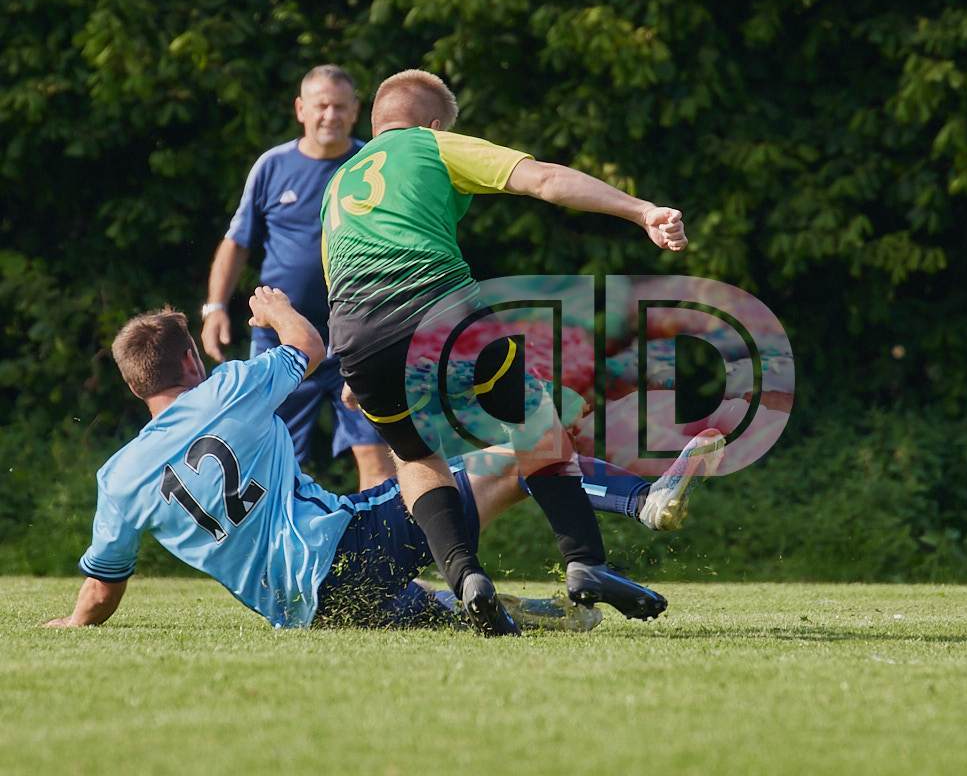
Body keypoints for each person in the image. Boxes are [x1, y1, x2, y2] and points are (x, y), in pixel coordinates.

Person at [43, 296, 722, 632]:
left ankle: (548, 614)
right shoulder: (224, 389)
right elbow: (307, 345)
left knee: (440, 605)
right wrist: (275, 309)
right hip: (348, 548)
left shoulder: (118, 478)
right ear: (192, 361)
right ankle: (642, 500)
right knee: (522, 452)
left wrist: (76, 624)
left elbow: (102, 588)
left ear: (134, 385)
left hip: (309, 612)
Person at [321, 69, 691, 635]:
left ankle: (465, 576)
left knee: (416, 458)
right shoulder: (430, 144)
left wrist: (356, 370)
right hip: (439, 307)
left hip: (356, 338)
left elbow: (337, 285)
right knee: (534, 423)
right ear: (433, 124)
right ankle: (585, 562)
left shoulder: (336, 185)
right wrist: (641, 210)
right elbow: (544, 179)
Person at [200, 64, 393, 492]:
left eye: (340, 107)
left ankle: (381, 538)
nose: (330, 115)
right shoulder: (272, 166)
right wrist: (214, 308)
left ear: (355, 110)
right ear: (301, 109)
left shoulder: (374, 165)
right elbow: (237, 241)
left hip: (358, 335)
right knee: (269, 457)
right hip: (282, 340)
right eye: (321, 106)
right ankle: (282, 537)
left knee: (376, 457)